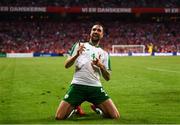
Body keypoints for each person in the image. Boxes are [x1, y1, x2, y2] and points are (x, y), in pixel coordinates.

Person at [55, 24, 120, 120]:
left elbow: (108, 78)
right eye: (94, 29)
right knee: (59, 117)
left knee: (115, 116)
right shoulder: (79, 45)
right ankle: (75, 108)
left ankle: (98, 108)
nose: (96, 31)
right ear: (90, 32)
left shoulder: (104, 54)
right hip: (78, 86)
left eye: (99, 30)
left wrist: (101, 66)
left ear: (102, 35)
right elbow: (66, 65)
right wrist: (76, 55)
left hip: (95, 88)